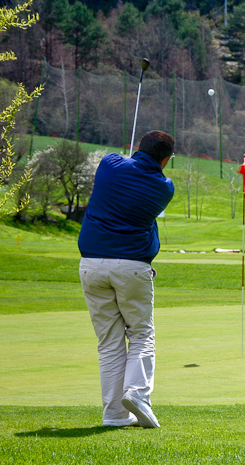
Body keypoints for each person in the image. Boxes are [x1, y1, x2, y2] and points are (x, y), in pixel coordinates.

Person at [78, 130, 175, 429]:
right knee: (142, 335)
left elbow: (114, 159)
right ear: (166, 160)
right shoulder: (165, 187)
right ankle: (137, 394)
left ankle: (114, 415)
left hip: (91, 265)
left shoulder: (109, 164)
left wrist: (127, 155)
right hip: (132, 267)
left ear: (137, 147)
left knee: (109, 343)